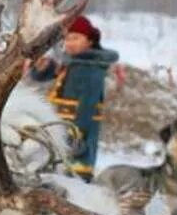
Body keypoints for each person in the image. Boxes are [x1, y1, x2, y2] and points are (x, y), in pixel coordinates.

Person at [30, 14, 118, 179]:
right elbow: (48, 76)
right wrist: (43, 68)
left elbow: (88, 105)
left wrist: (77, 136)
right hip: (63, 129)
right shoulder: (73, 63)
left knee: (74, 176)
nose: (70, 43)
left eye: (76, 38)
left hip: (77, 133)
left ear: (90, 41)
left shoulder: (91, 69)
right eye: (67, 39)